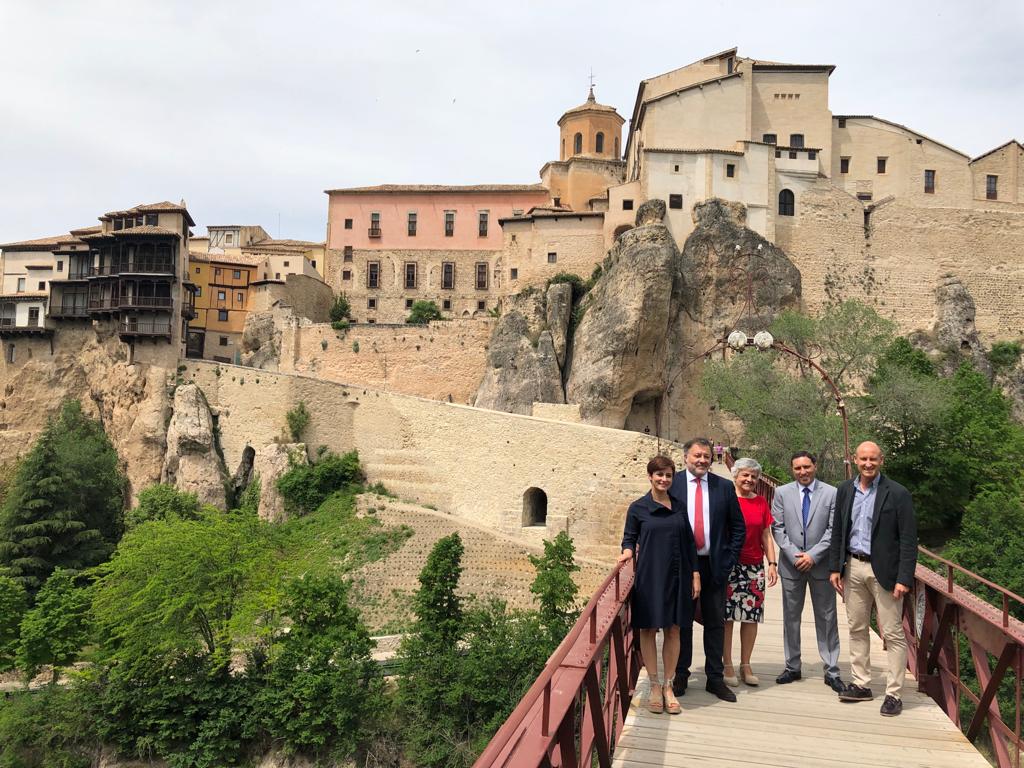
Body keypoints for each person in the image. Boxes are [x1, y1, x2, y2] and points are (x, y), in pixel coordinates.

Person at [828, 441, 918, 717]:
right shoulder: (845, 490)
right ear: (855, 460)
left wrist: (904, 577)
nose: (868, 464)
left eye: (873, 459)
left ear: (882, 460)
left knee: (892, 633)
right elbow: (839, 531)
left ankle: (893, 694)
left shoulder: (898, 493)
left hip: (886, 572)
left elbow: (908, 539)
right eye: (863, 459)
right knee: (857, 627)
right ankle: (861, 684)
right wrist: (835, 567)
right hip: (853, 567)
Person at [619, 455, 701, 714]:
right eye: (659, 475)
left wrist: (695, 574)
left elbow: (689, 542)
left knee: (674, 629)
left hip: (678, 573)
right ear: (650, 477)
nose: (664, 479)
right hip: (651, 575)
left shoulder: (678, 506)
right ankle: (654, 684)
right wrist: (626, 554)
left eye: (668, 475)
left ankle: (668, 685)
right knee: (649, 629)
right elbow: (629, 539)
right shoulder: (638, 508)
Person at [669, 438, 746, 702]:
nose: (702, 460)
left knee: (715, 622)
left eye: (706, 456)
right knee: (683, 621)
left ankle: (715, 678)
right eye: (697, 456)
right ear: (685, 458)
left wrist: (730, 560)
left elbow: (738, 527)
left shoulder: (723, 487)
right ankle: (681, 674)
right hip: (683, 565)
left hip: (714, 564)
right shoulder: (673, 485)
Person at [771, 451, 844, 692]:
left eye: (806, 467)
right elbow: (778, 529)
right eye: (797, 468)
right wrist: (794, 555)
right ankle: (792, 666)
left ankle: (832, 670)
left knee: (827, 617)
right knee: (791, 617)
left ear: (815, 466)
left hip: (821, 565)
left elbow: (834, 530)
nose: (802, 472)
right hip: (791, 566)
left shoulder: (832, 493)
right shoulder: (781, 493)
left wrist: (813, 555)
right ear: (792, 470)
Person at [722, 457, 778, 687]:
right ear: (735, 476)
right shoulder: (726, 500)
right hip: (729, 565)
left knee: (751, 617)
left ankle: (746, 664)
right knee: (727, 617)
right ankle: (727, 664)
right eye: (745, 475)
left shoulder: (761, 502)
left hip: (754, 565)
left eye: (754, 476)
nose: (750, 479)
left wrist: (772, 563)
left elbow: (766, 534)